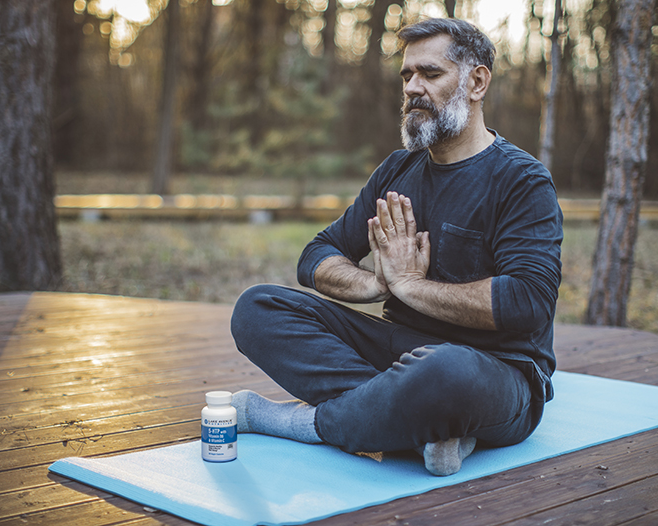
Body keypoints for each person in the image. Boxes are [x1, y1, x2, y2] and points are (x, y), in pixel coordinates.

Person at [229, 17, 563, 476]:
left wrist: (410, 285)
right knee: (257, 308)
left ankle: (307, 422)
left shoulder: (521, 180)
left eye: (430, 73)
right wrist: (376, 284)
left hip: (493, 371)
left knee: (444, 372)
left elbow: (528, 302)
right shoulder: (397, 169)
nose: (412, 87)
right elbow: (317, 256)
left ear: (477, 82)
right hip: (399, 350)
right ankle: (422, 424)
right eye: (406, 75)